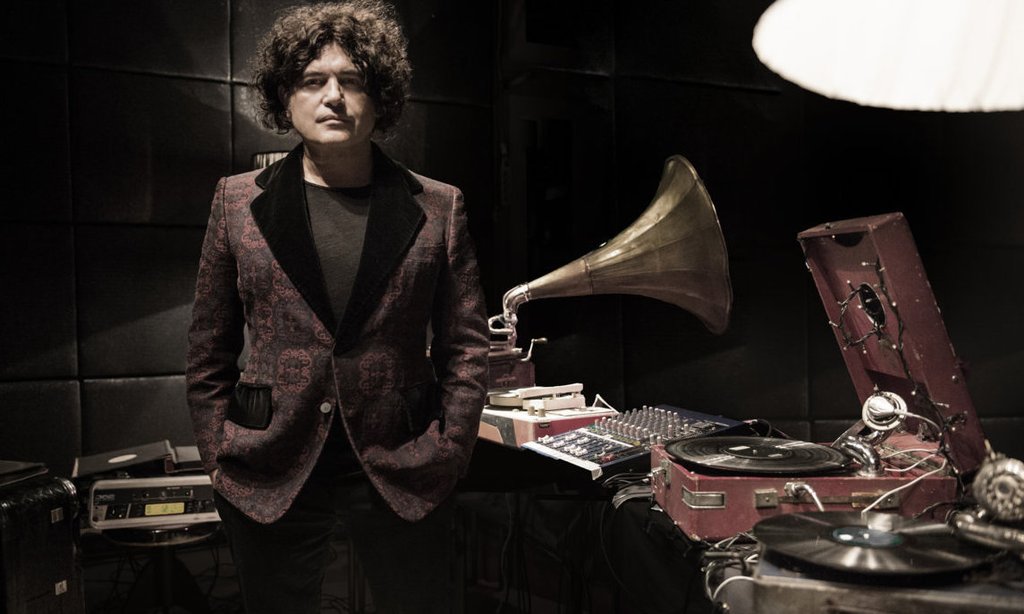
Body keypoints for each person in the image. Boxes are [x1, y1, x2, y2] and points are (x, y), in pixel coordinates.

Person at [185, 2, 489, 612]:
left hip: (404, 458)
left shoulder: (439, 205)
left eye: (352, 81)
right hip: (267, 462)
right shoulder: (235, 201)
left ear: (380, 97)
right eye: (312, 80)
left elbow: (466, 345)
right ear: (284, 96)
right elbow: (208, 345)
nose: (333, 97)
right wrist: (217, 451)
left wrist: (451, 449)